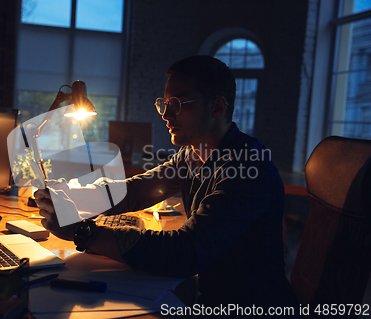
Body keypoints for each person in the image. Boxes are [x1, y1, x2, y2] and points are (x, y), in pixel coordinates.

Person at [35, 55, 300, 315]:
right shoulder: (195, 153)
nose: (166, 114)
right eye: (164, 103)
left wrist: (83, 233)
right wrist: (74, 198)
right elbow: (139, 190)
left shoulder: (247, 169)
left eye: (178, 103)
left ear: (216, 107)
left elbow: (185, 252)